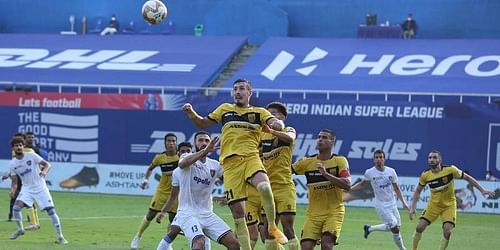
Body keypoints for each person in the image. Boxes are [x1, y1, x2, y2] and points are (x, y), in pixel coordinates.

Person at [182, 78, 288, 249]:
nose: (238, 92)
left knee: (264, 187)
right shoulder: (225, 109)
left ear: (249, 93)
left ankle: (272, 226)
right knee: (239, 216)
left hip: (250, 158)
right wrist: (191, 112)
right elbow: (202, 123)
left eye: (242, 89)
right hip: (230, 165)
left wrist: (278, 124)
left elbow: (276, 123)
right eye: (235, 89)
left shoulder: (259, 112)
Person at [156, 131, 240, 250]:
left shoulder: (215, 165)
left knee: (234, 244)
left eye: (207, 140)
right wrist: (205, 150)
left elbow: (231, 182)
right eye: (200, 140)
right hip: (187, 213)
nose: (204, 142)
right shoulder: (186, 157)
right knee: (199, 242)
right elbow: (182, 164)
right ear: (194, 143)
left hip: (207, 213)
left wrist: (229, 197)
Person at [409, 150, 496, 250]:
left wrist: (482, 190)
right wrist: (412, 207)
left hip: (449, 205)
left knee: (447, 231)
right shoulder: (425, 175)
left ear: (440, 160)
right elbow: (417, 191)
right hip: (434, 205)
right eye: (430, 158)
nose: (431, 160)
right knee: (419, 228)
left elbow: (467, 178)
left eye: (434, 157)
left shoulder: (451, 170)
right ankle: (414, 249)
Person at [292, 129, 351, 250]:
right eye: (319, 137)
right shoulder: (307, 162)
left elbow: (347, 184)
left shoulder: (340, 161)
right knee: (305, 247)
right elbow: (285, 170)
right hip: (313, 215)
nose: (320, 140)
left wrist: (326, 174)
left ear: (332, 142)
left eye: (324, 137)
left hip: (333, 212)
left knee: (326, 245)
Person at [7, 136, 68, 244]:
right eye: (16, 146)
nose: (19, 147)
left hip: (40, 187)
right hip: (26, 189)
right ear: (13, 148)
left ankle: (61, 237)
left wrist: (44, 172)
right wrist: (13, 190)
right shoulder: (12, 164)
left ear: (23, 146)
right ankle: (20, 229)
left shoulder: (31, 155)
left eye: (20, 145)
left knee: (51, 211)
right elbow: (15, 181)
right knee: (16, 208)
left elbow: (47, 165)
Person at [260, 102, 299, 250]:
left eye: (274, 114)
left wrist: (272, 131)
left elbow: (289, 138)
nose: (271, 116)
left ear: (283, 116)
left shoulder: (289, 129)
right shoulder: (262, 135)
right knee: (268, 232)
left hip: (284, 187)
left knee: (288, 229)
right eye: (269, 114)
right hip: (267, 188)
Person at [351, 149, 408, 250]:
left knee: (396, 227)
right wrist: (349, 189)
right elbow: (362, 184)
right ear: (373, 160)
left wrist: (403, 202)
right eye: (376, 157)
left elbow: (396, 188)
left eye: (381, 157)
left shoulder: (391, 171)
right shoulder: (370, 172)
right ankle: (403, 249)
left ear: (384, 159)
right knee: (394, 227)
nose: (379, 159)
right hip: (381, 205)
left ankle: (369, 228)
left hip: (392, 203)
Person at [131, 133, 179, 250]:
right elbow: (150, 168)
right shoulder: (159, 157)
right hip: (162, 191)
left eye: (173, 141)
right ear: (165, 143)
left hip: (176, 193)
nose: (171, 143)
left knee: (173, 219)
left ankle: (168, 242)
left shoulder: (181, 156)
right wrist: (145, 179)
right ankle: (138, 236)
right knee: (151, 214)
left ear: (176, 142)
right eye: (169, 141)